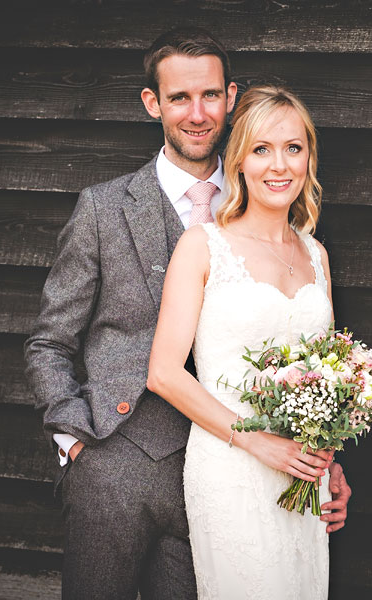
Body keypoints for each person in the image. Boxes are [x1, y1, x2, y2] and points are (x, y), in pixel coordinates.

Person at [24, 28, 351, 600]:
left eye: (209, 96)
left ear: (230, 99)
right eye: (179, 98)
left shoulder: (274, 204)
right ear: (154, 104)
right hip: (118, 464)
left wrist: (323, 457)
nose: (197, 114)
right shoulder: (103, 209)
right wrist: (75, 443)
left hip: (232, 477)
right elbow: (50, 342)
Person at [145, 85, 335, 599]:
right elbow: (163, 373)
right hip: (231, 469)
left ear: (309, 159)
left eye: (293, 148)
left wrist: (329, 464)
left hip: (302, 477)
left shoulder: (316, 255)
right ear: (240, 162)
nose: (280, 165)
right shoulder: (203, 246)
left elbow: (327, 379)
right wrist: (256, 441)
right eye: (262, 149)